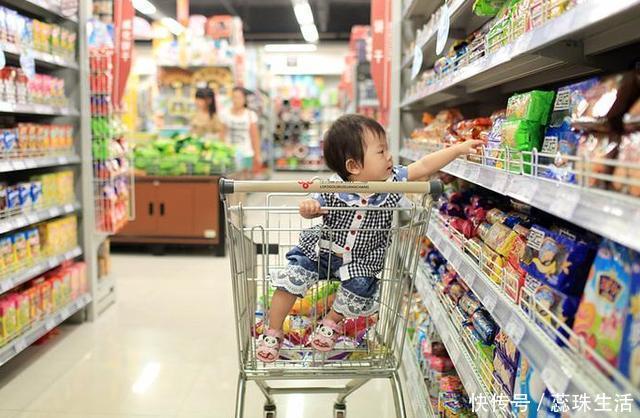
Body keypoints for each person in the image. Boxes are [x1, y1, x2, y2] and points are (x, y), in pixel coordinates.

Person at [256, 114, 484, 362]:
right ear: (354, 166)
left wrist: (459, 148)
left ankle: (331, 322)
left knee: (362, 287)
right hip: (323, 251)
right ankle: (274, 330)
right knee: (292, 276)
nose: (389, 156)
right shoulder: (333, 186)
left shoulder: (394, 181)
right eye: (381, 151)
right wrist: (309, 208)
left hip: (362, 259)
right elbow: (311, 206)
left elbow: (425, 165)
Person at [220, 87, 262, 174]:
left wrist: (257, 155)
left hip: (246, 154)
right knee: (229, 181)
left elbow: (255, 137)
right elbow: (222, 135)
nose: (236, 100)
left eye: (239, 97)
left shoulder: (251, 115)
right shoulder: (225, 113)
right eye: (234, 97)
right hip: (229, 154)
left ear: (245, 99)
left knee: (244, 181)